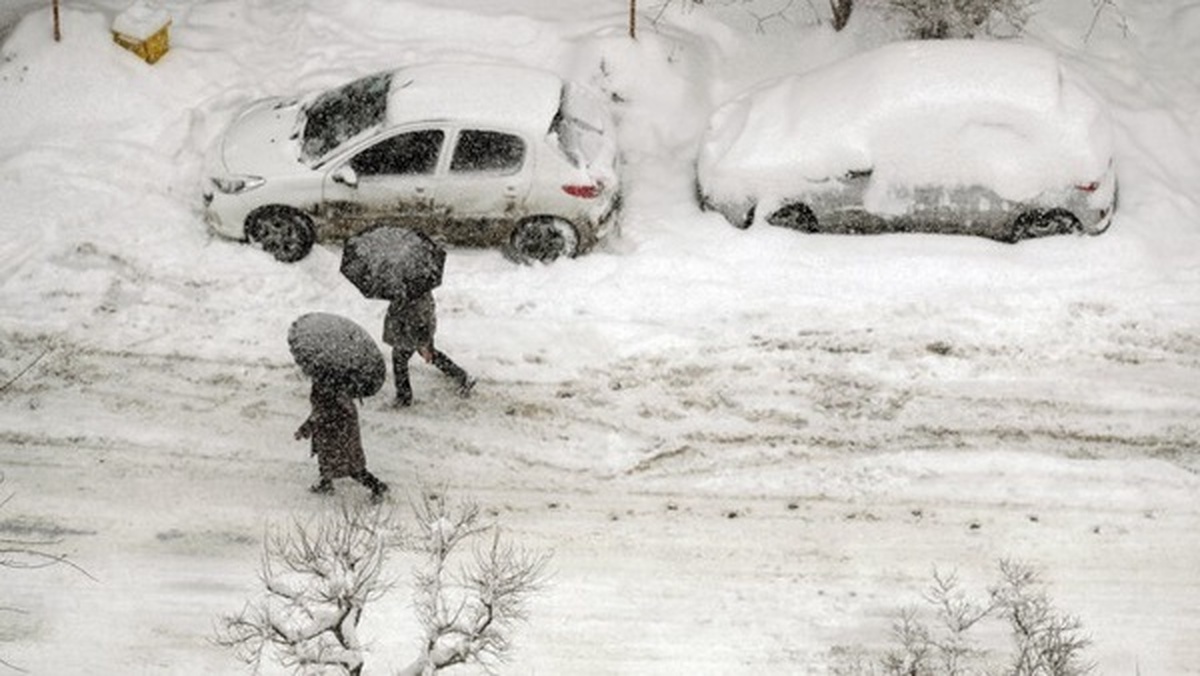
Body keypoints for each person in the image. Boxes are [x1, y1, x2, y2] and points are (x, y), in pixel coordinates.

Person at [295, 378, 389, 501]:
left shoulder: (325, 384)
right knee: (327, 457)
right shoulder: (336, 380)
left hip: (337, 430)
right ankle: (326, 483)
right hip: (340, 427)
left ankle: (377, 487)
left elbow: (321, 412)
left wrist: (304, 430)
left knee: (351, 466)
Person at [382, 291, 475, 407]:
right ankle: (461, 376)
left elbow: (419, 315)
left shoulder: (412, 292)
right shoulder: (416, 286)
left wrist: (424, 341)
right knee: (424, 354)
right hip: (410, 327)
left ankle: (404, 397)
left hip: (412, 328)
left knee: (400, 358)